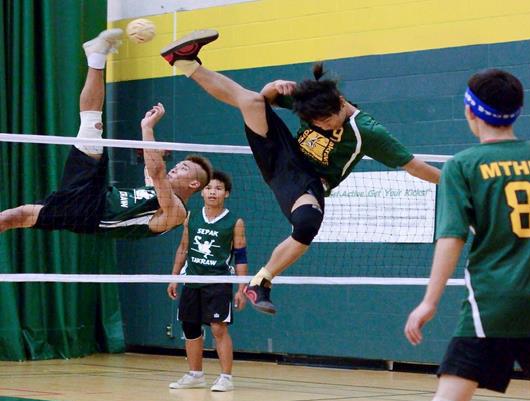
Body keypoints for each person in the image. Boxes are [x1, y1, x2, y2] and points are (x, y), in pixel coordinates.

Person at [160, 30, 440, 314]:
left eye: (326, 121)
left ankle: (260, 282)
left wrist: (452, 180)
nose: (321, 125)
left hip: (309, 180)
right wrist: (273, 86)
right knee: (251, 102)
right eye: (314, 121)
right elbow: (265, 98)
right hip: (284, 157)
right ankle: (185, 63)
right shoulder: (310, 101)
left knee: (306, 224)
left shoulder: (367, 132)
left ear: (341, 103)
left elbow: (413, 165)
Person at [404, 69, 530, 401]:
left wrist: (429, 302)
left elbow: (451, 238)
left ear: (470, 111)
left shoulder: (462, 166)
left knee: (448, 398)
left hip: (491, 303)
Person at [0, 29, 212, 239]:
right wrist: (149, 132)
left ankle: (96, 57)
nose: (176, 166)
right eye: (179, 164)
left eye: (184, 168)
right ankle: (96, 57)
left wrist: (146, 129)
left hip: (90, 213)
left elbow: (157, 172)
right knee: (92, 124)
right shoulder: (154, 192)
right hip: (96, 191)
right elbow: (151, 169)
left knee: (15, 216)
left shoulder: (175, 212)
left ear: (193, 184)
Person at [167, 170, 247, 392]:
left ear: (226, 193)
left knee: (218, 328)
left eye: (218, 188)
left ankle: (226, 377)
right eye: (209, 188)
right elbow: (183, 248)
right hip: (191, 279)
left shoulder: (234, 222)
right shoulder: (191, 216)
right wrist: (173, 277)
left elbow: (240, 255)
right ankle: (195, 374)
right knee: (190, 327)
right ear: (202, 192)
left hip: (218, 282)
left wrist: (242, 288)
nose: (213, 192)